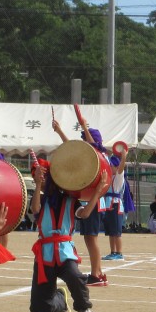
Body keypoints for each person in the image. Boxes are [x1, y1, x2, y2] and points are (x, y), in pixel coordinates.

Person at [28, 160, 100, 312]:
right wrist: (38, 184)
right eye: (39, 176)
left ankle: (83, 307)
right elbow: (35, 209)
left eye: (45, 176)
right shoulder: (39, 198)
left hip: (64, 251)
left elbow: (85, 214)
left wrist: (98, 192)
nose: (43, 179)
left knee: (75, 276)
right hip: (45, 254)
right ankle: (61, 298)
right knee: (39, 310)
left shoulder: (70, 200)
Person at [51, 110, 109, 287]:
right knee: (90, 238)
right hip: (94, 199)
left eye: (85, 138)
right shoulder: (94, 157)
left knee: (91, 238)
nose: (84, 142)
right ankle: (97, 272)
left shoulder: (97, 155)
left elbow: (89, 146)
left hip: (94, 200)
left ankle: (96, 274)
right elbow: (72, 150)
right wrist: (60, 131)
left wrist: (84, 125)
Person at [101, 150, 132, 261]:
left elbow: (121, 168)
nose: (110, 168)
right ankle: (113, 252)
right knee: (110, 232)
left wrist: (123, 157)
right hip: (109, 205)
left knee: (117, 232)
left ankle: (119, 253)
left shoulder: (118, 177)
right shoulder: (110, 177)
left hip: (115, 205)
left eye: (112, 166)